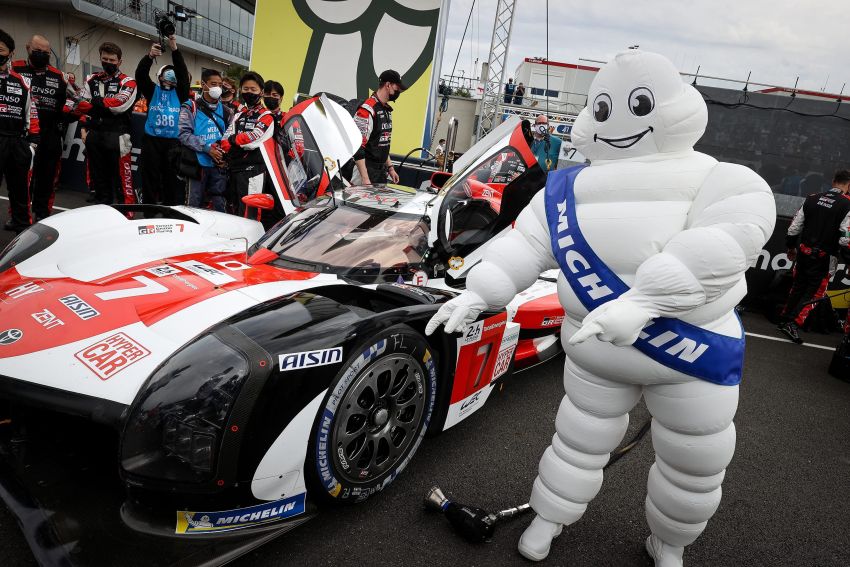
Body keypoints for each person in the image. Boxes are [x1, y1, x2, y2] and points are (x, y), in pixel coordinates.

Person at [426, 50, 775, 566]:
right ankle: (550, 519)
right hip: (620, 353)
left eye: (640, 105)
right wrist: (482, 290)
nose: (620, 122)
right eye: (605, 109)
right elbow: (525, 245)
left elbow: (728, 241)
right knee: (580, 444)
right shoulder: (564, 189)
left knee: (692, 463)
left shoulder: (721, 179)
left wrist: (649, 299)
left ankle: (669, 542)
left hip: (686, 354)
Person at [778, 169, 850, 344]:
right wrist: (848, 258)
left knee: (798, 286)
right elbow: (844, 237)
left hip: (803, 251)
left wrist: (790, 247)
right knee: (816, 291)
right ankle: (794, 323)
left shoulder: (812, 197)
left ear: (833, 181)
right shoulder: (847, 204)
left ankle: (784, 319)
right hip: (825, 257)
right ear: (848, 185)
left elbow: (794, 227)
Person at [12, 35, 76, 222]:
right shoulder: (15, 69)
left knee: (47, 180)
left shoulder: (60, 77)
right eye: (37, 51)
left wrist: (68, 112)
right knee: (20, 179)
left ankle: (43, 215)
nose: (40, 55)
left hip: (50, 135)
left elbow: (76, 100)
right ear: (27, 48)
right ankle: (18, 216)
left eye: (45, 53)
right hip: (22, 134)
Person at [76, 41, 138, 206]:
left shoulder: (128, 81)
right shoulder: (91, 79)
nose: (108, 62)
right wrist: (84, 127)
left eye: (112, 60)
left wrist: (94, 103)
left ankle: (127, 211)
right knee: (98, 177)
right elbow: (81, 106)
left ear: (120, 62)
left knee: (121, 178)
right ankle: (102, 210)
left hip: (117, 135)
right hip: (95, 134)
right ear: (100, 58)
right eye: (105, 59)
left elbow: (120, 105)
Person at [135, 36, 190, 205]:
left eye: (173, 77)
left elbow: (182, 73)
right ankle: (149, 209)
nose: (170, 79)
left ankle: (168, 209)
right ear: (159, 77)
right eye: (167, 75)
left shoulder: (180, 93)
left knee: (170, 178)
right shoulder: (152, 91)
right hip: (152, 141)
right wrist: (150, 56)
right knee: (149, 176)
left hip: (172, 143)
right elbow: (141, 75)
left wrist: (174, 49)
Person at [220, 71, 277, 222]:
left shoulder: (267, 116)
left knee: (250, 211)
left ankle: (250, 242)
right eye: (246, 89)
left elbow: (253, 140)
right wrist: (232, 142)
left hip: (254, 171)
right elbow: (225, 138)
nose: (249, 92)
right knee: (234, 208)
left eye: (253, 89)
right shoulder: (240, 115)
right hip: (235, 168)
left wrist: (233, 141)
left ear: (261, 92)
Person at [0, 29, 40, 233]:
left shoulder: (22, 81)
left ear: (11, 53)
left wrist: (32, 141)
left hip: (16, 141)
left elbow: (31, 112)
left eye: (1, 50)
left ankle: (21, 225)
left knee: (20, 190)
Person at [178, 68, 233, 213]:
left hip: (219, 166)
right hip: (197, 165)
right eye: (213, 84)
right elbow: (183, 134)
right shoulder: (190, 107)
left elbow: (230, 137)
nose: (217, 88)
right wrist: (207, 149)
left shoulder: (227, 112)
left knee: (219, 205)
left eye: (220, 85)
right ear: (203, 84)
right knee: (193, 206)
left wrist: (225, 156)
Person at [351, 69, 406, 185]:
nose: (399, 91)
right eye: (397, 88)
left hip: (380, 172)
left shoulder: (387, 110)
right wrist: (365, 180)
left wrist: (390, 168)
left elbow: (383, 143)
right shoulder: (367, 110)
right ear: (388, 85)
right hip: (364, 173)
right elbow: (357, 148)